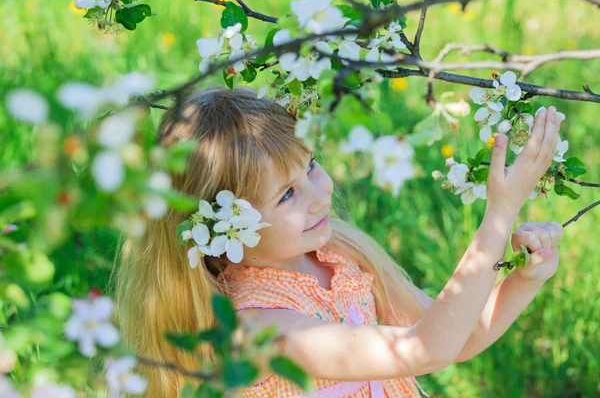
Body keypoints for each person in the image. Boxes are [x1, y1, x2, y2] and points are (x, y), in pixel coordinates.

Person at [112, 85, 564, 397]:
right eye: (286, 194)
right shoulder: (256, 328)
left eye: (310, 166)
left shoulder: (339, 258)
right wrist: (499, 214)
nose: (319, 194)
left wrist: (522, 281)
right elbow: (426, 349)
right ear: (222, 233)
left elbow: (454, 337)